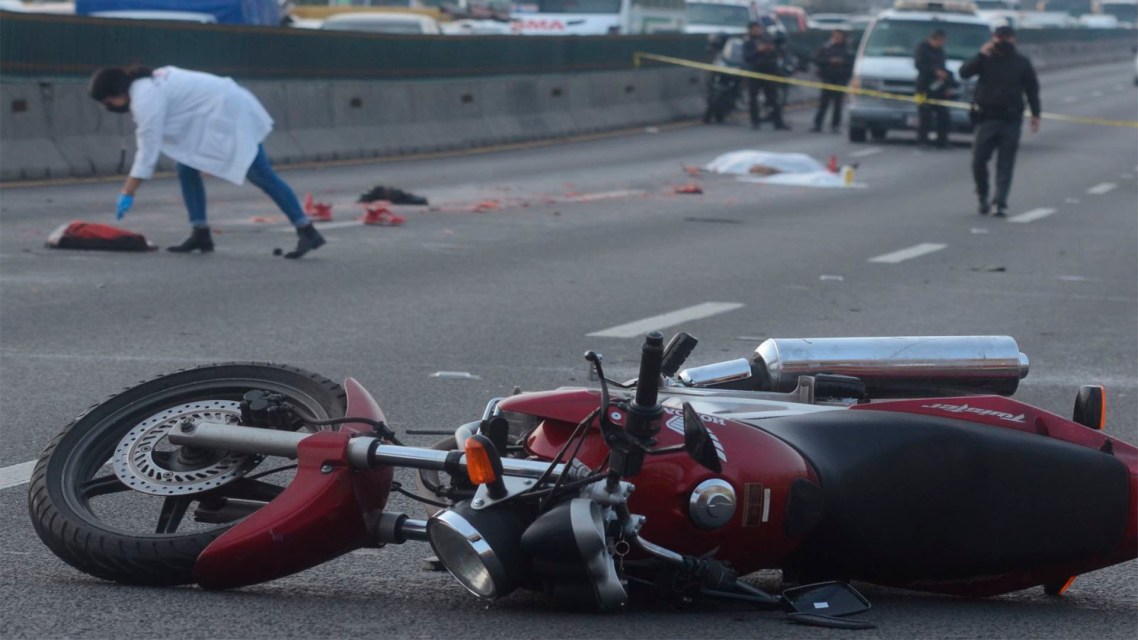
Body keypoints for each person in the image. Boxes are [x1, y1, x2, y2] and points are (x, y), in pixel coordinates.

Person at [88, 65, 326, 258]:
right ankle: (200, 232)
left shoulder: (145, 98)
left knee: (261, 175)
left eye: (107, 102)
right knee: (186, 167)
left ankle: (307, 230)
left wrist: (128, 192)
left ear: (116, 94)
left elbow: (147, 150)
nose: (108, 107)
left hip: (229, 114)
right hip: (219, 111)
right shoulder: (145, 86)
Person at [959, 26, 1041, 217]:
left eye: (1007, 39)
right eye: (999, 39)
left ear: (1014, 40)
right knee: (979, 161)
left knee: (1006, 163)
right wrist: (981, 54)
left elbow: (1032, 89)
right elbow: (964, 73)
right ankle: (983, 195)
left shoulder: (1021, 62)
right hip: (986, 117)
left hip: (1010, 119)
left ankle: (1000, 201)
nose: (1003, 43)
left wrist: (1036, 114)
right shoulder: (985, 59)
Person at [743, 21, 790, 131]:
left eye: (758, 28)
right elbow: (747, 57)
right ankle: (755, 121)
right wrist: (758, 51)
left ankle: (778, 122)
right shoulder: (748, 42)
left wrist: (770, 49)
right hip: (755, 72)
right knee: (753, 98)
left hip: (769, 72)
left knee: (773, 98)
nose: (757, 31)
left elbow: (777, 53)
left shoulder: (767, 39)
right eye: (754, 29)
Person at [913, 29, 953, 149]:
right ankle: (923, 141)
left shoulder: (940, 51)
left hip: (939, 88)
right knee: (924, 115)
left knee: (944, 115)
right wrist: (935, 71)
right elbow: (919, 65)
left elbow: (944, 67)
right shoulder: (922, 49)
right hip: (923, 88)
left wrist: (947, 84)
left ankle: (942, 141)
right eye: (941, 40)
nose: (942, 43)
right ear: (935, 39)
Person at [811, 29, 853, 133]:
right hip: (827, 78)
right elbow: (817, 59)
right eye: (834, 36)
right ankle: (817, 124)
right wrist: (829, 61)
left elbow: (851, 63)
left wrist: (842, 63)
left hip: (840, 79)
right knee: (823, 104)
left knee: (838, 105)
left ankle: (835, 125)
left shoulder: (847, 50)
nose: (836, 38)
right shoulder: (826, 48)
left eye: (839, 36)